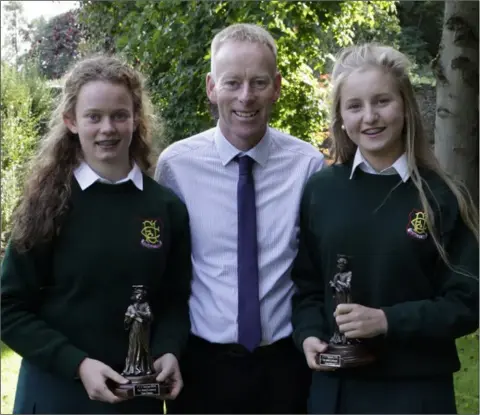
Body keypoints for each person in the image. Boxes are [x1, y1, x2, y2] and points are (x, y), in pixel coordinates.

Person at [291, 43, 479, 414]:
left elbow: (467, 302)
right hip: (337, 391)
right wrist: (308, 334)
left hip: (417, 391)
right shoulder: (321, 190)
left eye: (382, 101)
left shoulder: (442, 196)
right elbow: (307, 285)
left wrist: (386, 320)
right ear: (341, 117)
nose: (370, 117)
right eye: (355, 106)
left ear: (406, 107)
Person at [1, 56, 192, 414]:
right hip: (57, 394)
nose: (108, 128)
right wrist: (76, 364)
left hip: (136, 402)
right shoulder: (47, 204)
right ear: (71, 121)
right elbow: (7, 308)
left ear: (136, 119)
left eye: (119, 115)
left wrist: (168, 349)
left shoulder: (165, 207)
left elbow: (175, 300)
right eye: (94, 116)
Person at [155, 23, 324, 414]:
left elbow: (315, 270)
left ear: (277, 87)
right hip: (201, 369)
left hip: (286, 368)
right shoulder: (176, 167)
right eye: (232, 83)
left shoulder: (307, 165)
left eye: (259, 82)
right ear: (212, 87)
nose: (246, 96)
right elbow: (166, 273)